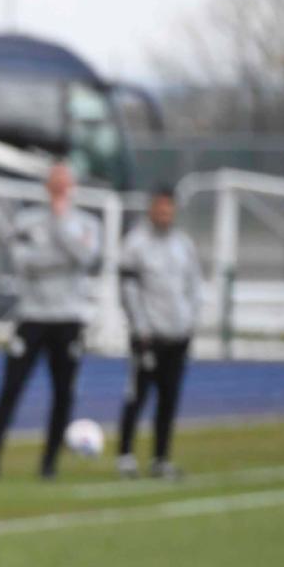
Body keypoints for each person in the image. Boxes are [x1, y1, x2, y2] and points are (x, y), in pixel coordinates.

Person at [0, 161, 101, 480]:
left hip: (68, 319)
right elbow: (22, 263)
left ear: (71, 185)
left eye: (64, 180)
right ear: (46, 184)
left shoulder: (85, 223)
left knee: (63, 393)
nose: (58, 186)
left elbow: (87, 258)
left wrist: (60, 224)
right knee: (11, 388)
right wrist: (63, 257)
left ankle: (49, 464)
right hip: (31, 317)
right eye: (54, 180)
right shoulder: (27, 221)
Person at [116, 188, 202, 479]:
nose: (165, 214)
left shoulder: (183, 245)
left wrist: (189, 322)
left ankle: (160, 458)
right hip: (148, 336)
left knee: (169, 398)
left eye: (169, 209)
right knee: (137, 395)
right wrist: (140, 327)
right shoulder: (135, 244)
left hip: (178, 335)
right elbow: (128, 290)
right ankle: (126, 455)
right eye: (160, 208)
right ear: (151, 209)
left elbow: (193, 287)